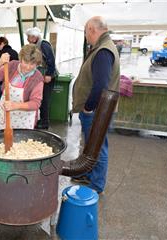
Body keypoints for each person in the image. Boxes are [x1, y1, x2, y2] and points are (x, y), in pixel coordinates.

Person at [71, 16, 120, 194]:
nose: (86, 37)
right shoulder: (103, 47)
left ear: (92, 30)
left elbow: (101, 85)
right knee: (92, 146)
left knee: (98, 147)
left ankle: (96, 185)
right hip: (99, 110)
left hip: (98, 111)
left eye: (86, 33)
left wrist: (88, 107)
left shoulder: (103, 51)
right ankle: (89, 175)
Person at [0, 44, 44, 130]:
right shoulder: (11, 66)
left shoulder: (37, 78)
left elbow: (35, 103)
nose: (28, 67)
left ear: (37, 64)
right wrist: (0, 62)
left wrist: (15, 105)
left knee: (22, 142)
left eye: (32, 64)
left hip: (24, 119)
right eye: (26, 62)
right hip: (5, 115)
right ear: (20, 59)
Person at [26, 27, 57, 130]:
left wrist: (49, 74)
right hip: (42, 75)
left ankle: (45, 122)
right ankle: (42, 119)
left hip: (48, 75)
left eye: (29, 37)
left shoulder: (44, 44)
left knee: (45, 99)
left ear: (34, 37)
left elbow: (51, 60)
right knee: (41, 97)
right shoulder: (37, 45)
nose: (27, 39)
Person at [0, 36, 19, 101]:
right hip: (14, 81)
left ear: (2, 43)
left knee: (2, 102)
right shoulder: (15, 52)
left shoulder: (1, 54)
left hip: (3, 82)